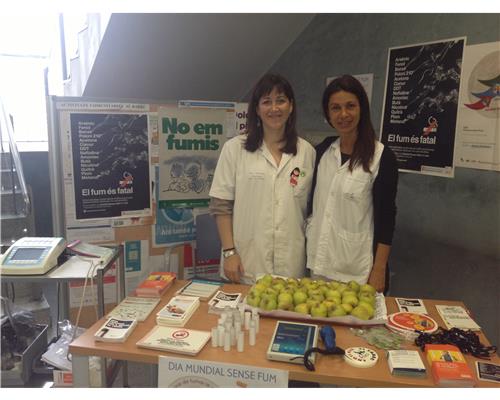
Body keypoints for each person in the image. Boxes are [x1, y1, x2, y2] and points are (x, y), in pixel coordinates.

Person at [209, 73, 316, 284]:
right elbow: (221, 205)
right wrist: (229, 252)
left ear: (291, 106)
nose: (274, 108)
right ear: (257, 109)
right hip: (246, 263)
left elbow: (310, 210)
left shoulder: (307, 152)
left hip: (291, 266)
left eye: (281, 101)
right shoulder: (235, 149)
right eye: (267, 102)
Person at [306, 75, 398, 293]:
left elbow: (387, 217)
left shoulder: (381, 157)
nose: (343, 114)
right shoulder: (322, 152)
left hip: (356, 271)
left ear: (361, 108)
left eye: (350, 106)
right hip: (319, 264)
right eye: (335, 108)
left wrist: (379, 269)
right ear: (328, 114)